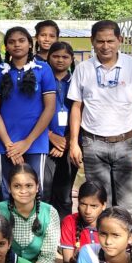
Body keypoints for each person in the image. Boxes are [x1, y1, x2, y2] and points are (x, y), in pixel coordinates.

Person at [67, 20, 132, 218]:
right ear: (92, 41)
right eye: (100, 41)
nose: (105, 46)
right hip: (93, 144)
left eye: (110, 41)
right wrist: (74, 142)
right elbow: (77, 106)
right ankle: (101, 239)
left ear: (119, 40)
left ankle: (128, 240)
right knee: (99, 205)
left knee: (128, 207)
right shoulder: (83, 69)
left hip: (127, 144)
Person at [0, 26, 57, 200]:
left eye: (21, 41)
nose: (17, 45)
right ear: (6, 47)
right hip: (6, 145)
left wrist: (27, 142)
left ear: (30, 44)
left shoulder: (43, 69)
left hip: (35, 143)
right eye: (11, 42)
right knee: (8, 193)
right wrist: (9, 146)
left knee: (35, 192)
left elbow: (49, 108)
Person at [0, 164, 61, 263]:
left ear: (37, 187)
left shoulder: (50, 213)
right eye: (17, 186)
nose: (23, 191)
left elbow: (47, 257)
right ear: (9, 188)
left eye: (29, 186)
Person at [45, 41, 78, 216]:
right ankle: (46, 228)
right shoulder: (41, 79)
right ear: (48, 57)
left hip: (70, 143)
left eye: (65, 57)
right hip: (44, 142)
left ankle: (65, 229)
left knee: (65, 194)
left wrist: (66, 140)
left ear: (71, 59)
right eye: (56, 56)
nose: (60, 60)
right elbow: (33, 112)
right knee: (45, 191)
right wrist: (50, 135)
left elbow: (82, 111)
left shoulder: (76, 81)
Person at [59, 182, 107, 263]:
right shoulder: (69, 222)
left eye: (94, 206)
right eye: (83, 204)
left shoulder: (111, 225)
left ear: (104, 206)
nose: (87, 211)